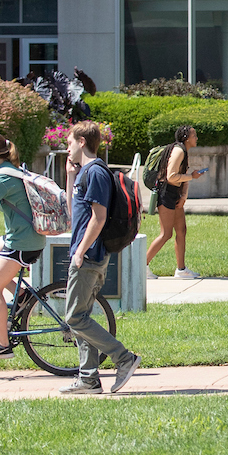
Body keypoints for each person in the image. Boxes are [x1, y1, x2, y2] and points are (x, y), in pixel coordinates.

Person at [61, 121, 141, 394]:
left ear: (82, 142)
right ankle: (88, 378)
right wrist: (70, 177)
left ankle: (124, 358)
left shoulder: (96, 173)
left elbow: (99, 218)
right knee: (82, 316)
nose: (67, 148)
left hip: (90, 256)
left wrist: (80, 252)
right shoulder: (85, 173)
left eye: (69, 142)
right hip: (88, 254)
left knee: (74, 318)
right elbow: (75, 215)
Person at [0, 134, 44, 359]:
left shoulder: (0, 179)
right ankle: (21, 295)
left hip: (21, 242)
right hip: (24, 237)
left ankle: (2, 345)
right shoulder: (10, 170)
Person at [146, 125, 207, 280]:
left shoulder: (183, 151)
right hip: (166, 194)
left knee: (181, 230)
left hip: (175, 195)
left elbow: (182, 174)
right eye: (194, 135)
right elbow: (171, 176)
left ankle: (181, 269)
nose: (196, 138)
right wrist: (191, 177)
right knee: (166, 234)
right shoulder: (178, 151)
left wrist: (183, 196)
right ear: (186, 137)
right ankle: (142, 266)